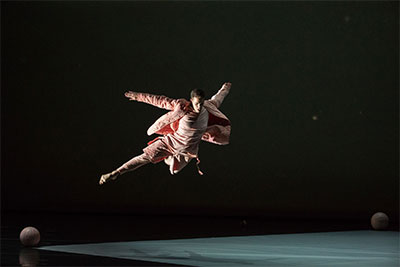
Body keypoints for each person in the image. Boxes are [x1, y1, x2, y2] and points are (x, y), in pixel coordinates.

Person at [99, 82, 232, 185]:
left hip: (188, 150)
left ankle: (169, 159)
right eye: (197, 104)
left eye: (201, 103)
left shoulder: (207, 107)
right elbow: (160, 100)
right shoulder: (181, 107)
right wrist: (138, 96)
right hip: (171, 142)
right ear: (191, 100)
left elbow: (218, 98)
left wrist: (225, 88)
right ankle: (115, 173)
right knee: (145, 157)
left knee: (174, 170)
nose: (199, 107)